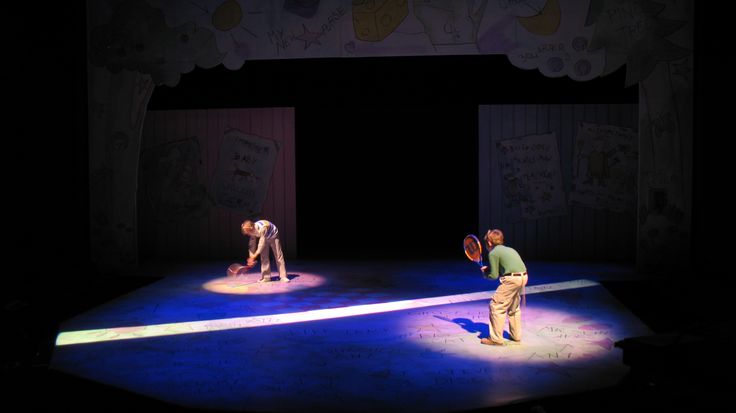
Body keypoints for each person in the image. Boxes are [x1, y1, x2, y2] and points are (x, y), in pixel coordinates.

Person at [479, 229, 527, 346]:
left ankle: (495, 339)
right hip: (524, 277)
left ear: (489, 243)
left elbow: (494, 276)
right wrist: (489, 270)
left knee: (496, 305)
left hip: (511, 280)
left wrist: (486, 273)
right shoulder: (510, 249)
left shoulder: (493, 253)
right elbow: (506, 268)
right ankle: (516, 336)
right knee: (513, 307)